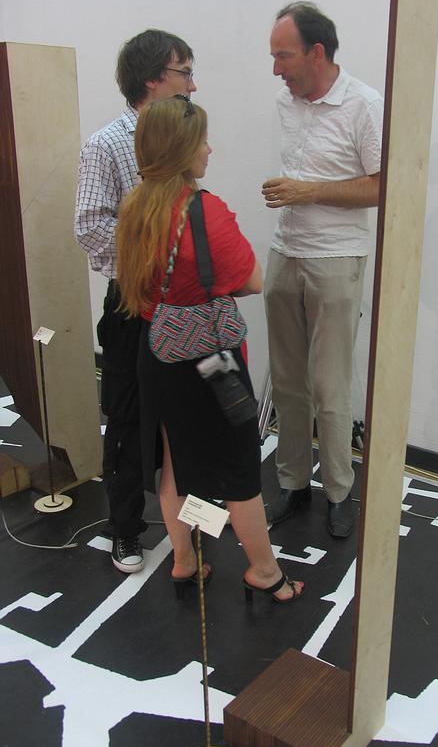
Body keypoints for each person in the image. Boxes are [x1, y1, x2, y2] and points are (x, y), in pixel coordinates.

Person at [116, 95, 303, 603]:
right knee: (239, 467)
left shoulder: (133, 209)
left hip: (157, 351)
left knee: (174, 459)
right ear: (182, 150)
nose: (209, 149)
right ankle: (264, 571)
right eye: (201, 141)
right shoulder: (205, 211)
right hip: (210, 361)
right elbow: (253, 281)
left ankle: (183, 559)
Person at [75, 29, 197, 573]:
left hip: (184, 303)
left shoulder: (183, 135)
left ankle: (189, 528)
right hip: (132, 303)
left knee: (186, 420)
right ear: (151, 80)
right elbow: (89, 226)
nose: (192, 84)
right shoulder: (106, 144)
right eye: (184, 72)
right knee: (127, 421)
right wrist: (152, 252)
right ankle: (125, 530)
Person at [262, 1, 383, 537]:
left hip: (336, 259)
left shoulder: (365, 105)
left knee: (329, 385)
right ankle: (292, 484)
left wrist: (308, 191)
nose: (276, 69)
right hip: (284, 252)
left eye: (283, 56)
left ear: (316, 52)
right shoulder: (285, 101)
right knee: (287, 380)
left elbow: (382, 185)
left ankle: (338, 491)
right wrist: (296, 194)